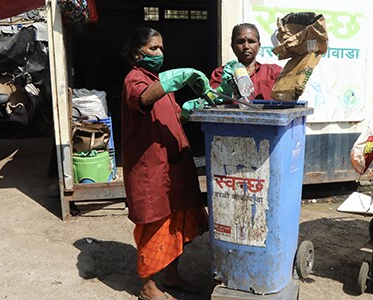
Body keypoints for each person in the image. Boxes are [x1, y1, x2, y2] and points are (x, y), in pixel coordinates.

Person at [120, 27, 209, 300]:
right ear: (137, 53)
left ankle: (172, 276)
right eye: (153, 48)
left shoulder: (158, 81)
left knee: (175, 223)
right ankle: (147, 286)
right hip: (150, 169)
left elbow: (175, 117)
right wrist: (177, 78)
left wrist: (192, 108)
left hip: (174, 166)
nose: (160, 53)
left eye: (161, 48)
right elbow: (144, 99)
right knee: (153, 224)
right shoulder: (135, 79)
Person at [181, 23, 283, 118]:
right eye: (240, 42)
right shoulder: (221, 73)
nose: (246, 46)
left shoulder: (273, 71)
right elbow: (211, 103)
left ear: (259, 45)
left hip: (267, 126)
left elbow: (288, 96)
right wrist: (222, 90)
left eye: (251, 41)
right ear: (232, 46)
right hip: (232, 128)